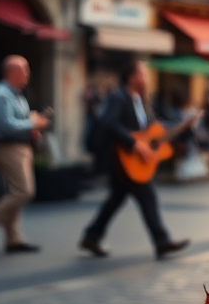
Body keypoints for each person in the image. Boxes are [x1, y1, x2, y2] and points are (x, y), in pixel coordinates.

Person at [78, 61, 192, 259]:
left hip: (131, 162)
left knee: (116, 198)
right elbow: (109, 123)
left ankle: (91, 237)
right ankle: (161, 241)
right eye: (142, 74)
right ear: (131, 77)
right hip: (122, 157)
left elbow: (151, 128)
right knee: (147, 196)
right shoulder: (118, 97)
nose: (146, 78)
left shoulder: (141, 100)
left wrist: (179, 127)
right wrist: (133, 143)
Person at [0, 55, 49, 254]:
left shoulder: (15, 94)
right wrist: (32, 123)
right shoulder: (2, 95)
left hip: (18, 146)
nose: (28, 74)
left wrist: (31, 126)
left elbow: (16, 122)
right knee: (23, 191)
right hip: (9, 148)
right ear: (13, 72)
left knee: (14, 191)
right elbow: (6, 125)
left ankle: (13, 238)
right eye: (25, 69)